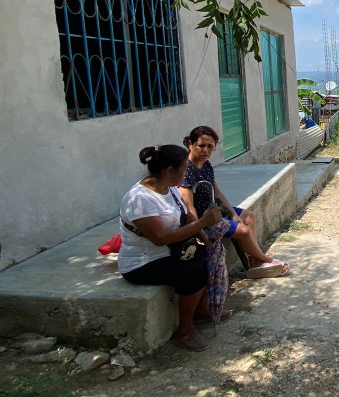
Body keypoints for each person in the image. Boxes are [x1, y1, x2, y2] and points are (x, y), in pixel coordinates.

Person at [119, 145, 222, 351]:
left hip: (169, 251)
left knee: (206, 255)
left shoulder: (170, 189)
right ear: (169, 170)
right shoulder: (140, 199)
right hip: (143, 262)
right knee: (194, 272)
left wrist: (203, 237)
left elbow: (186, 214)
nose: (186, 174)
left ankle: (201, 311)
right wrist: (202, 224)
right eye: (184, 169)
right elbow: (160, 238)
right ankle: (185, 331)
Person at [179, 126, 290, 279]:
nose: (206, 150)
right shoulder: (186, 170)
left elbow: (217, 192)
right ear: (190, 145)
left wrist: (232, 213)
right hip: (205, 217)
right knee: (243, 231)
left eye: (210, 146)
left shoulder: (206, 164)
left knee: (249, 216)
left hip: (216, 207)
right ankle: (266, 259)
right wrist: (199, 230)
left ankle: (255, 263)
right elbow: (188, 205)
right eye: (201, 146)